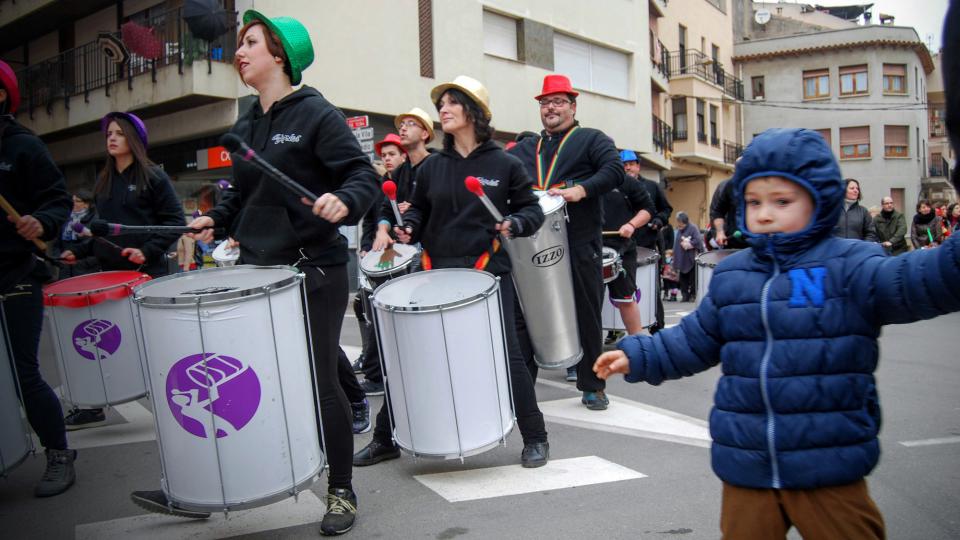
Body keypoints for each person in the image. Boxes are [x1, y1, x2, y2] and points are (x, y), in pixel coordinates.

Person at [594, 127, 960, 539]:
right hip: (747, 463)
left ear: (819, 201)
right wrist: (642, 354)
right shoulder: (733, 274)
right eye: (753, 202)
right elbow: (694, 338)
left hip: (828, 465)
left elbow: (928, 279)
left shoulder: (852, 266)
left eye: (782, 201)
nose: (764, 213)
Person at [135, 11, 379, 535]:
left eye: (250, 43)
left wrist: (345, 199)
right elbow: (242, 194)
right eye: (240, 43)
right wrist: (214, 219)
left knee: (318, 381)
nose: (239, 52)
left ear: (280, 56)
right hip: (258, 272)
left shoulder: (317, 114)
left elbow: (363, 175)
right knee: (245, 382)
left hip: (313, 268)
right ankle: (212, 486)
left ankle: (340, 490)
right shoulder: (247, 123)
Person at [357, 75, 551, 468]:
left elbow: (531, 210)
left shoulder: (504, 164)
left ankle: (536, 437)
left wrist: (516, 223)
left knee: (508, 356)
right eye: (441, 103)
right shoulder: (433, 167)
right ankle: (386, 437)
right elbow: (420, 209)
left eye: (451, 102)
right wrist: (409, 225)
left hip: (487, 273)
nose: (442, 109)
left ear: (474, 113)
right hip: (437, 272)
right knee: (411, 356)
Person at [59, 111, 185, 430]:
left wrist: (147, 249)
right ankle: (96, 405)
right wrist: (81, 251)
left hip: (146, 276)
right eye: (108, 134)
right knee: (104, 346)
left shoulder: (153, 176)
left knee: (153, 344)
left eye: (118, 133)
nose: (111, 138)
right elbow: (101, 232)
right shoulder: (104, 182)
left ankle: (170, 398)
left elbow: (175, 222)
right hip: (109, 278)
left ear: (134, 139)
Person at [508, 74, 623, 409]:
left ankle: (592, 384)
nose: (550, 108)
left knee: (586, 311)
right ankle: (522, 386)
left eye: (558, 101)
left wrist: (581, 189)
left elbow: (614, 169)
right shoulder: (527, 148)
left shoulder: (590, 139)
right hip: (533, 246)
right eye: (545, 103)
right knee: (526, 313)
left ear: (573, 106)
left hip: (579, 240)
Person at [0, 59, 76, 497]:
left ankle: (60, 453)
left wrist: (40, 222)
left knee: (24, 373)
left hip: (18, 274)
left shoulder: (23, 146)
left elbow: (57, 200)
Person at [351, 133, 405, 391]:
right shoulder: (379, 185)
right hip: (378, 258)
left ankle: (376, 372)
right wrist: (364, 248)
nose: (387, 159)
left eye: (392, 154)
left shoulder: (410, 181)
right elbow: (371, 221)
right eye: (384, 155)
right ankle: (371, 363)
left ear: (403, 156)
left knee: (384, 313)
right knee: (366, 307)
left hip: (403, 258)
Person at [601, 161, 655, 337]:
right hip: (590, 248)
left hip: (621, 248)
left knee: (626, 299)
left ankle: (638, 344)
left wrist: (631, 225)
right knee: (587, 304)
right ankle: (587, 351)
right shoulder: (583, 182)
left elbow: (648, 210)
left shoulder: (627, 182)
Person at [621, 149, 673, 333]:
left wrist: (658, 221)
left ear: (638, 165)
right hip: (624, 246)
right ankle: (615, 328)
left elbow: (666, 210)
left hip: (648, 244)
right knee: (622, 290)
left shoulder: (651, 186)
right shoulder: (617, 186)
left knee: (652, 288)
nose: (628, 167)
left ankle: (657, 325)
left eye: (631, 164)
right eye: (624, 165)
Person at [54, 189, 100, 278]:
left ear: (87, 204)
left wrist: (82, 264)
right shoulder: (65, 219)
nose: (73, 203)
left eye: (77, 201)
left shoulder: (95, 221)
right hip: (65, 269)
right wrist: (58, 260)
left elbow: (97, 248)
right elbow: (57, 243)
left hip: (86, 271)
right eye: (72, 200)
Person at [671, 212, 704, 302]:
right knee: (683, 279)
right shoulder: (679, 230)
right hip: (681, 258)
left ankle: (693, 294)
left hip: (691, 257)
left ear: (685, 221)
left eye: (680, 222)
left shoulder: (693, 228)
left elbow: (698, 241)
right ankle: (685, 295)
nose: (679, 224)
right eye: (678, 222)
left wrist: (689, 243)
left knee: (693, 278)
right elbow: (676, 244)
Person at [709, 178, 749, 250]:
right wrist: (719, 232)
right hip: (734, 242)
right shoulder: (729, 185)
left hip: (760, 243)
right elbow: (717, 212)